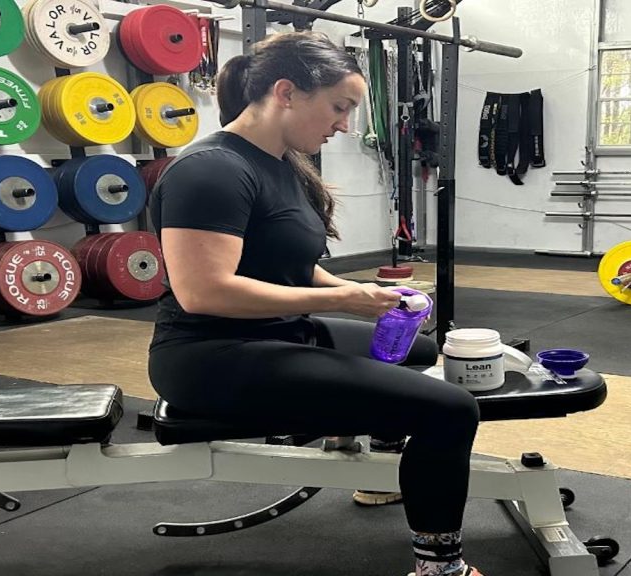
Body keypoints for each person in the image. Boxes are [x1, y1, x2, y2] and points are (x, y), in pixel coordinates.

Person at [147, 31, 483, 576]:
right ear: (286, 92)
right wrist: (346, 299)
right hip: (209, 356)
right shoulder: (210, 170)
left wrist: (373, 299)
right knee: (450, 409)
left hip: (273, 332)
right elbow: (203, 292)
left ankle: (378, 472)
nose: (345, 125)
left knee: (413, 352)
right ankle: (439, 566)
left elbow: (294, 263)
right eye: (340, 107)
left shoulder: (281, 163)